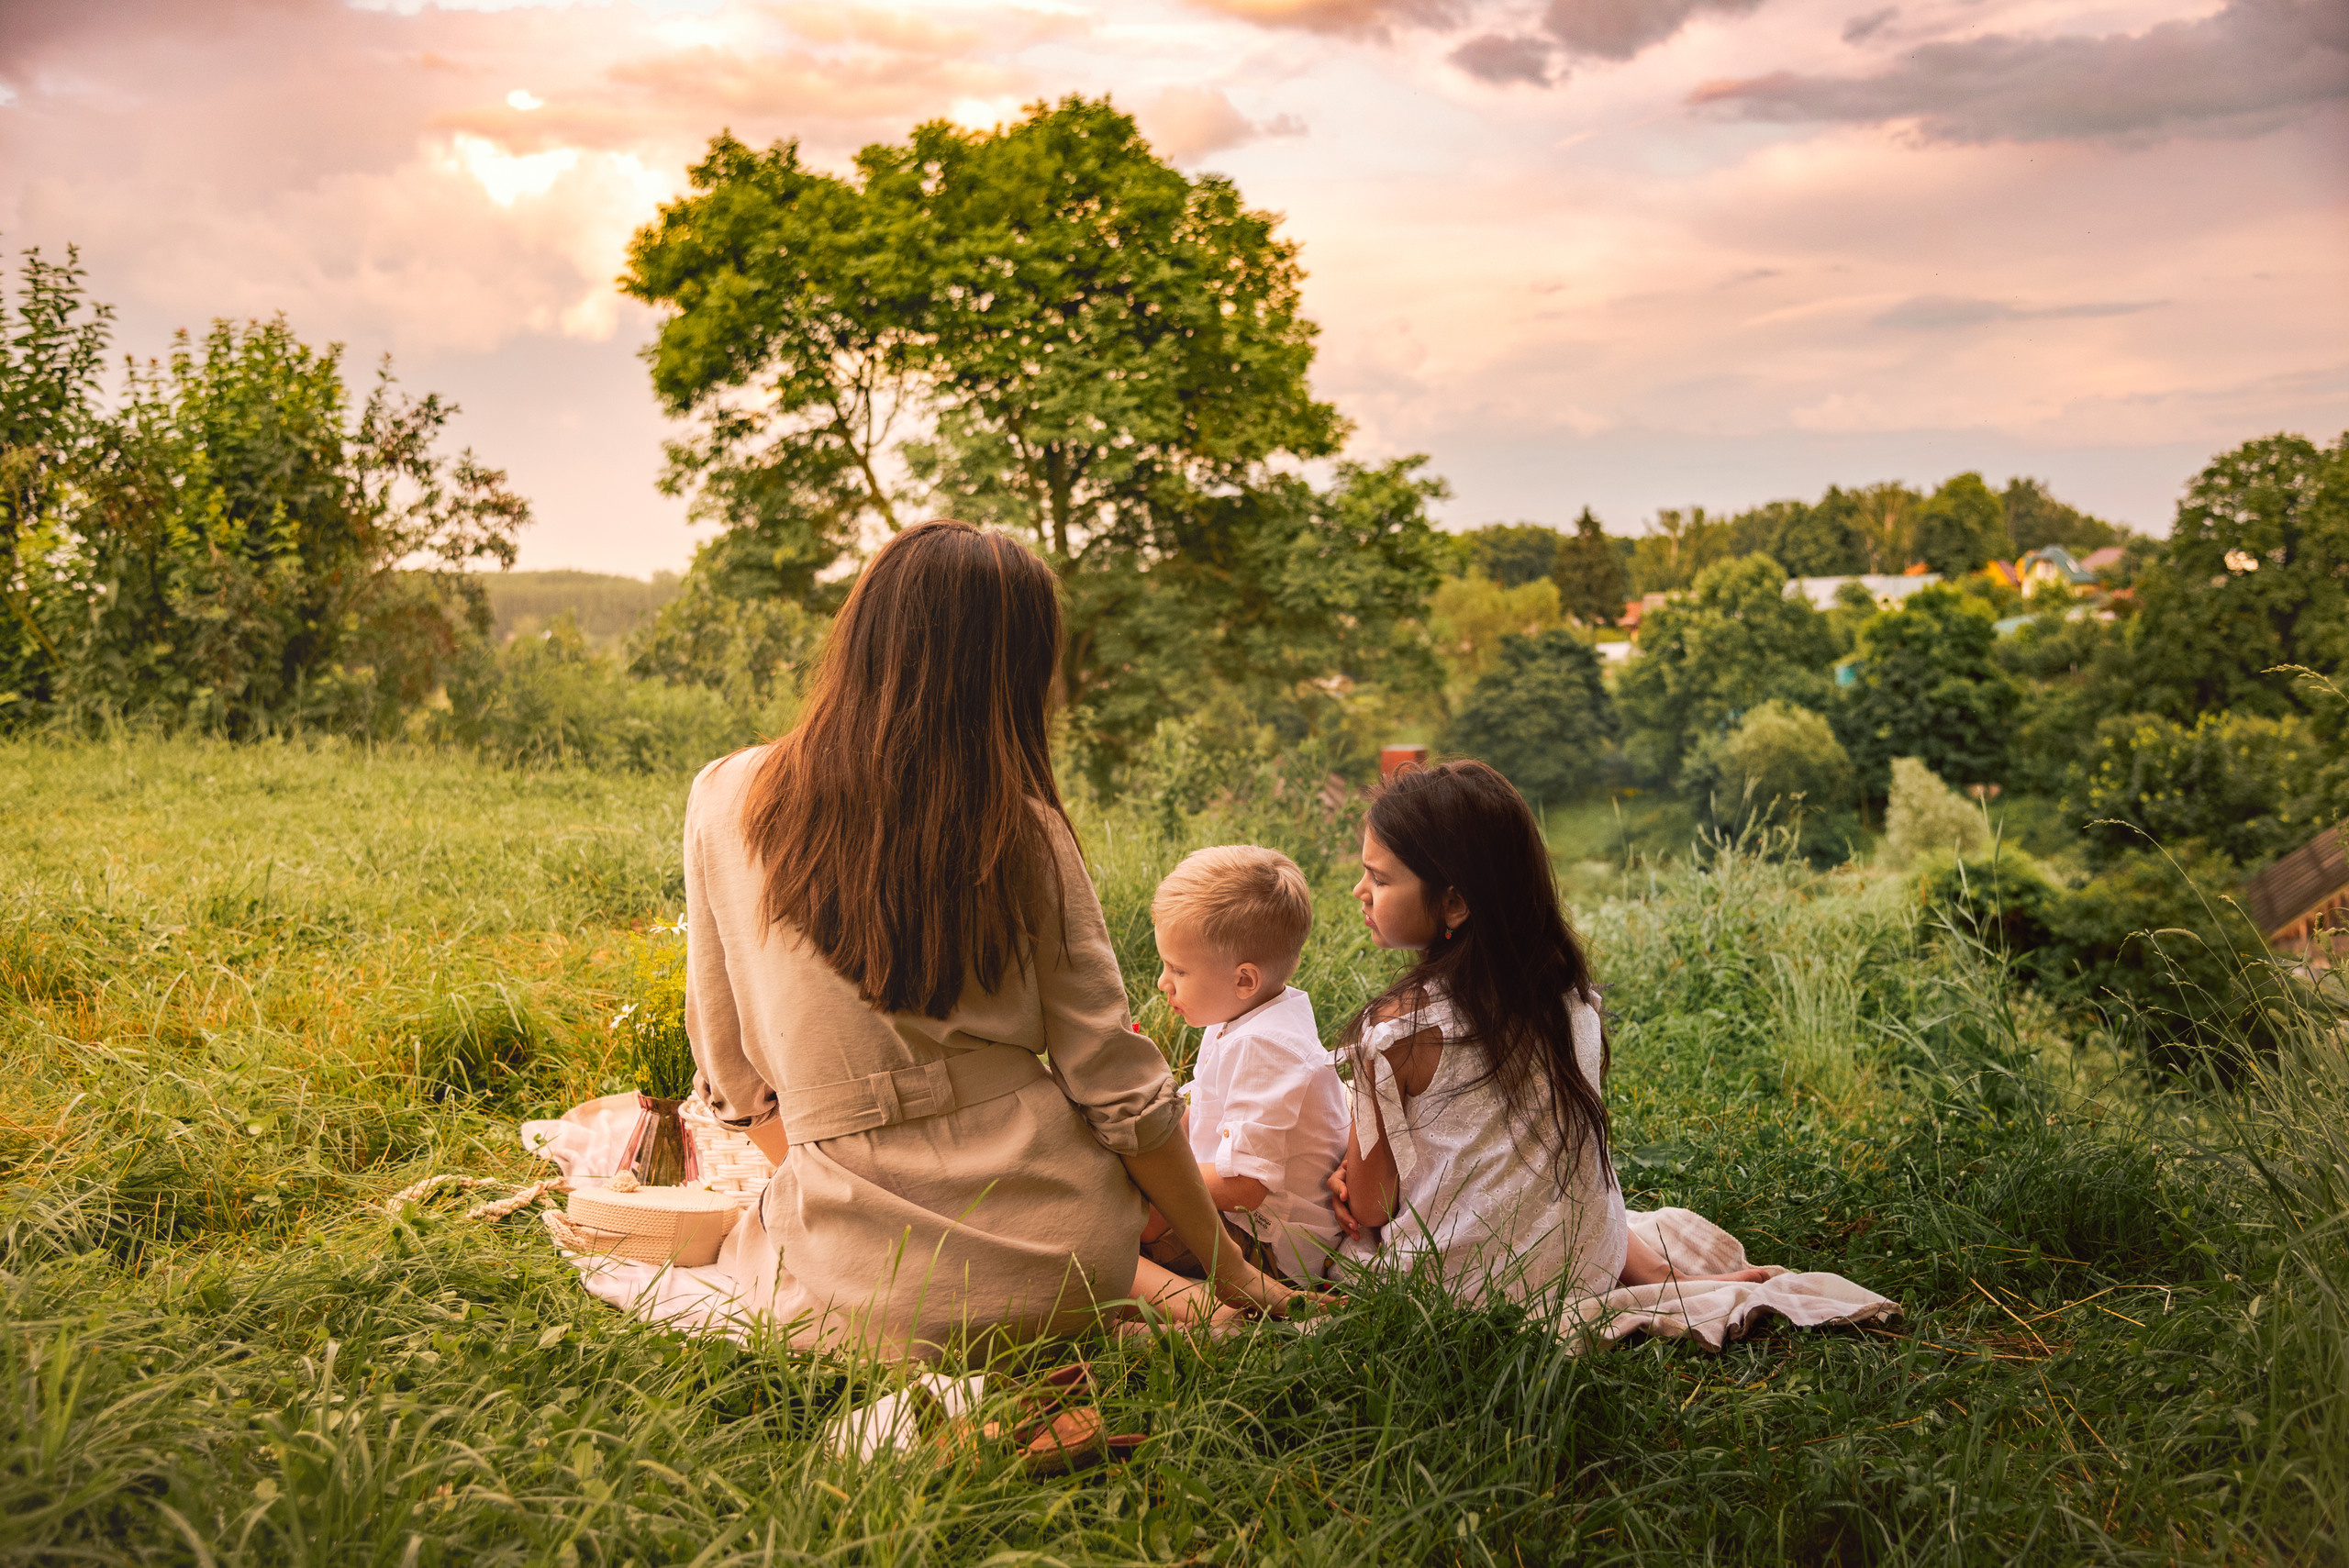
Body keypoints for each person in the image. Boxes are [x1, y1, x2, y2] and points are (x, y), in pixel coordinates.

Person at [683, 520, 1298, 1362]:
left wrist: (838, 1172)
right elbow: (1120, 1092)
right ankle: (1193, 1305)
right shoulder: (1024, 830)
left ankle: (1169, 1308)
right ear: (1008, 673)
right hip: (1058, 1258)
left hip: (847, 1280)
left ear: (862, 633)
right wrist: (1236, 1270)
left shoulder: (723, 796)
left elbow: (729, 1068)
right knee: (1105, 1277)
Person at [1326, 761, 1769, 1301]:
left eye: (1380, 877)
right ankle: (1657, 1276)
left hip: (1458, 1289)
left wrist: (1347, 1169)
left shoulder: (1399, 1031)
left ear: (1456, 902)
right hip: (1581, 1268)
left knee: (1320, 1219)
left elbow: (1371, 1207)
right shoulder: (1572, 1004)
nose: (1359, 891)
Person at [1141, 845, 1350, 1284]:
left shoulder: (1266, 1047)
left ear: (1244, 980)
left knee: (1129, 1218)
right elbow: (1198, 1109)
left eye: (1178, 970)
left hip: (1268, 1247)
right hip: (1247, 1222)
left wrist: (1154, 1175)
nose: (1163, 983)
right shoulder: (1243, 1017)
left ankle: (1188, 1301)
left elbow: (1244, 1188)